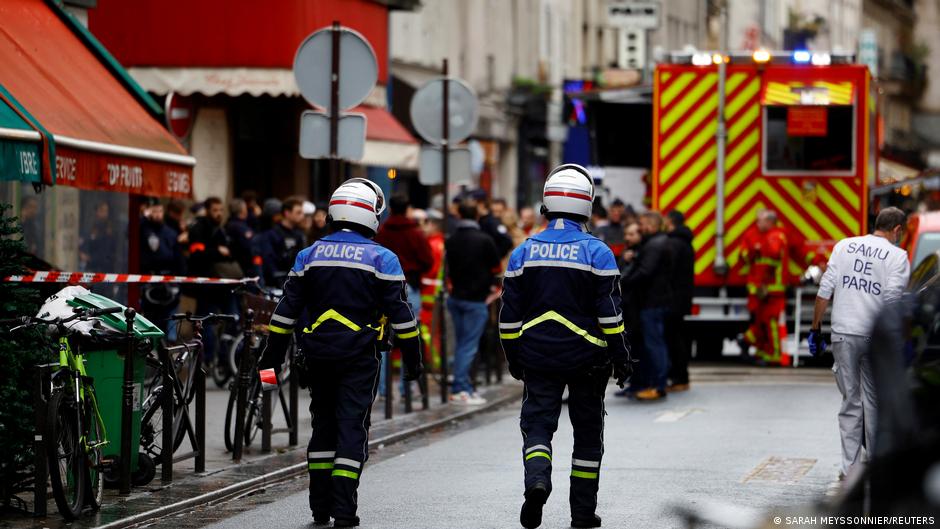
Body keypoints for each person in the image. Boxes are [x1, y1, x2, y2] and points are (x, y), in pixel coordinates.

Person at [257, 178, 422, 527]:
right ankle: (344, 511)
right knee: (351, 428)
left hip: (315, 356)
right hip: (359, 358)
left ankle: (319, 507)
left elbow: (284, 312)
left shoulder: (308, 255)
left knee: (323, 427)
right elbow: (402, 317)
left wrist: (270, 356)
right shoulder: (382, 258)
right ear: (371, 215)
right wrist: (413, 359)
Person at [500, 164, 631, 529]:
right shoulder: (598, 253)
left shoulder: (523, 252)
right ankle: (582, 513)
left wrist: (514, 358)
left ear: (547, 204)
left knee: (538, 427)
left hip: (538, 358)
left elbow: (508, 319)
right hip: (589, 360)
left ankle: (537, 480)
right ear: (587, 205)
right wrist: (621, 359)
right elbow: (611, 316)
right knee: (587, 436)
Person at [809, 207, 910, 480]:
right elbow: (892, 302)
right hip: (873, 338)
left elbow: (824, 291)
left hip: (842, 334)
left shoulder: (845, 246)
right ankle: (876, 467)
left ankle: (849, 469)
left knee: (850, 403)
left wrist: (815, 328)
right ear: (897, 230)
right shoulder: (897, 256)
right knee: (874, 402)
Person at [375, 194, 433, 397]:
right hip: (410, 286)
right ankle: (406, 387)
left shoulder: (381, 232)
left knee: (381, 337)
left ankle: (381, 389)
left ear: (390, 209)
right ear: (407, 209)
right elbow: (428, 259)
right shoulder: (415, 233)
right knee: (408, 334)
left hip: (382, 288)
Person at [445, 201, 501, 404]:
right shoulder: (484, 240)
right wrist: (493, 287)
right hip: (476, 299)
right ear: (477, 216)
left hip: (456, 297)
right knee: (468, 346)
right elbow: (496, 269)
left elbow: (449, 269)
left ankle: (464, 386)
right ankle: (461, 388)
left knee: (462, 344)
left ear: (459, 216)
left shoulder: (451, 240)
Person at [620, 211, 673, 401]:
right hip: (653, 301)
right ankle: (655, 383)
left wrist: (622, 282)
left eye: (642, 224)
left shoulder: (654, 245)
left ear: (650, 225)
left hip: (652, 302)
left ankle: (658, 385)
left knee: (654, 345)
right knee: (653, 344)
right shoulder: (656, 243)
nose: (640, 228)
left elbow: (644, 271)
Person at [187, 197, 241, 362]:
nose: (218, 214)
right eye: (215, 210)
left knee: (233, 319)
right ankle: (207, 359)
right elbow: (198, 255)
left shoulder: (221, 230)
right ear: (207, 210)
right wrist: (218, 251)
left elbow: (232, 252)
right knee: (207, 324)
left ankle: (225, 359)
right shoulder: (198, 229)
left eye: (221, 210)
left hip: (224, 285)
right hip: (207, 286)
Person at [739, 209, 788, 365]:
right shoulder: (758, 235)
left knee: (769, 322)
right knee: (761, 322)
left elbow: (770, 259)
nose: (758, 224)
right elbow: (745, 256)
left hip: (771, 289)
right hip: (762, 289)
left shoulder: (774, 236)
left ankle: (767, 352)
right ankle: (758, 349)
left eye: (760, 221)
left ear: (769, 222)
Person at [140, 201, 186, 336]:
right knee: (151, 320)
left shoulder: (170, 233)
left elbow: (179, 259)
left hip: (169, 282)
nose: (158, 215)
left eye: (160, 211)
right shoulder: (144, 229)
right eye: (154, 212)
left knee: (170, 321)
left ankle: (168, 349)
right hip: (149, 281)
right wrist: (144, 217)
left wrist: (179, 282)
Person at [664, 210, 695, 392]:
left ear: (670, 222)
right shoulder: (685, 242)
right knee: (678, 337)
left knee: (674, 339)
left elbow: (668, 271)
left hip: (673, 298)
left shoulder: (674, 244)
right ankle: (680, 377)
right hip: (681, 298)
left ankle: (679, 378)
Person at [256, 198, 307, 288]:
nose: (302, 216)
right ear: (287, 213)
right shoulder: (272, 234)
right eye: (298, 212)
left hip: (296, 283)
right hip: (277, 283)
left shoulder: (300, 235)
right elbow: (269, 261)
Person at [225, 198, 257, 278]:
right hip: (243, 265)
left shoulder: (230, 223)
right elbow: (250, 245)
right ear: (243, 210)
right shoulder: (239, 227)